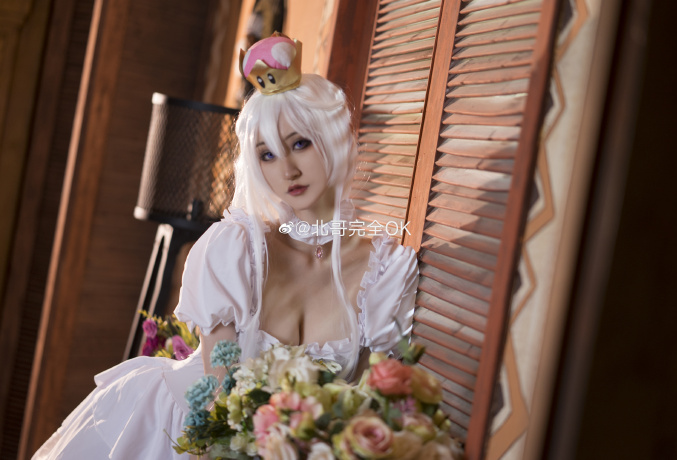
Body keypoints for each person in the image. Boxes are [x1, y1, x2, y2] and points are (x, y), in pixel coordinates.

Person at [33, 34, 419, 460]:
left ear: (333, 138)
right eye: (267, 155)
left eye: (300, 143)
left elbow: (366, 405)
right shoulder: (237, 250)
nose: (287, 169)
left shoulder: (385, 272)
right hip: (177, 432)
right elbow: (217, 400)